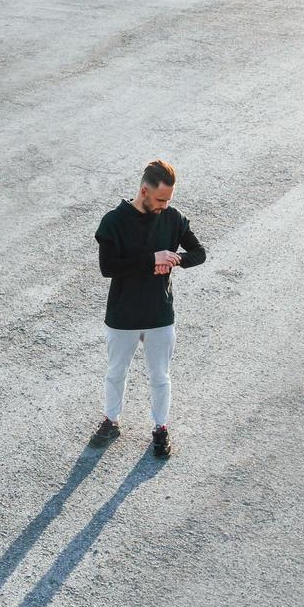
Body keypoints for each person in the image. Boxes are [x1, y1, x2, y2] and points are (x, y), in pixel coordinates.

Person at [92, 159, 207, 458]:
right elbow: (108, 268)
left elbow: (199, 253)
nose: (165, 206)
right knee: (116, 372)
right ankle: (111, 420)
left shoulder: (173, 217)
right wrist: (152, 258)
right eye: (160, 199)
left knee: (160, 376)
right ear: (144, 191)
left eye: (169, 199)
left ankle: (160, 429)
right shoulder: (113, 222)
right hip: (122, 316)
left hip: (159, 314)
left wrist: (173, 259)